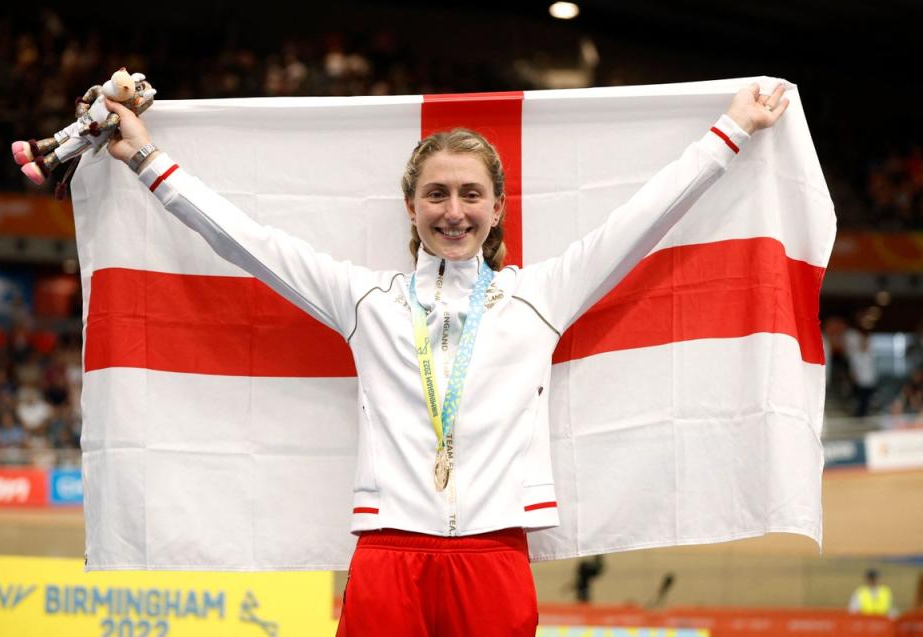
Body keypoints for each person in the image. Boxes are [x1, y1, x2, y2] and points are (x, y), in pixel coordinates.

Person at [102, 82, 788, 636]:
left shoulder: (538, 297)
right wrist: (143, 158)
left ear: (496, 207)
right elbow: (246, 240)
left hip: (494, 556)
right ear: (410, 206)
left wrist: (730, 131)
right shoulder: (366, 300)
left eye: (469, 194)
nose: (452, 211)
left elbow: (642, 220)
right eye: (436, 193)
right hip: (386, 554)